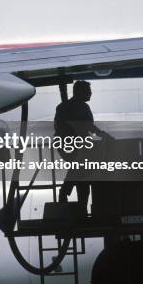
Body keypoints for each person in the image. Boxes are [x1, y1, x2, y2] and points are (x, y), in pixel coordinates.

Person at [54, 80, 109, 208]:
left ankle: (68, 196)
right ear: (79, 92)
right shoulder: (81, 108)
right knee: (80, 169)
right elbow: (89, 126)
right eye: (88, 91)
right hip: (72, 145)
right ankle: (69, 196)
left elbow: (61, 127)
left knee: (80, 171)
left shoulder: (64, 107)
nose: (91, 94)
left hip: (68, 144)